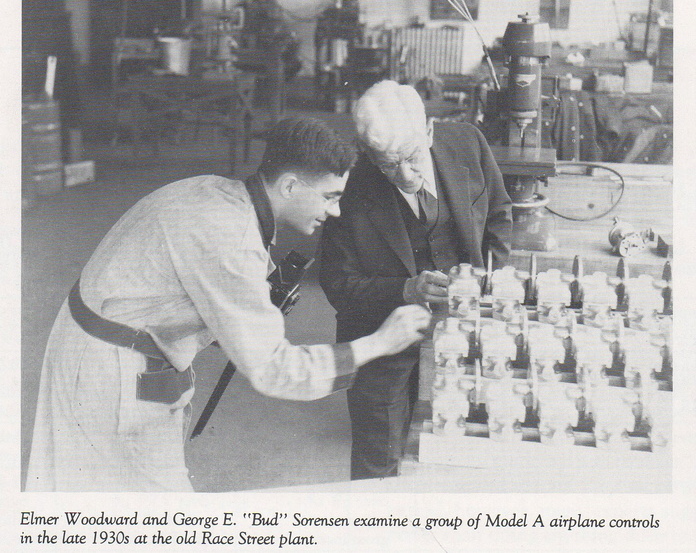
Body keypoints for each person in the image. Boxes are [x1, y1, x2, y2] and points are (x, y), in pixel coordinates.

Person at [26, 116, 431, 492]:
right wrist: (378, 343)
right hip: (108, 368)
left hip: (95, 339)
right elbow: (275, 370)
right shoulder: (230, 238)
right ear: (290, 186)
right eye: (329, 197)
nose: (336, 211)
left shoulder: (215, 189)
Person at [319, 80, 512, 480]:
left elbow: (498, 215)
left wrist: (486, 282)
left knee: (470, 441)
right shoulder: (347, 184)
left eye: (411, 158)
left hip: (466, 322)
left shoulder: (468, 144)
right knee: (378, 457)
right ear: (368, 152)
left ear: (429, 131)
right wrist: (405, 289)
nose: (405, 175)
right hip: (380, 330)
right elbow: (337, 282)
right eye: (388, 164)